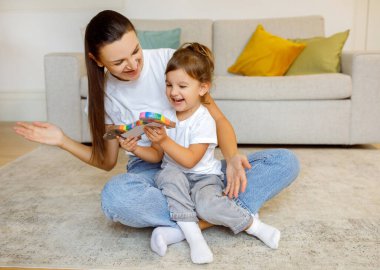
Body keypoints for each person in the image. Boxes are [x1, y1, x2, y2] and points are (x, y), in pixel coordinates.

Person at [13, 10, 299, 257]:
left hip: (199, 163)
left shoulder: (170, 62)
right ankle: (218, 214)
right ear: (97, 60)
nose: (133, 65)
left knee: (284, 162)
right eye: (119, 62)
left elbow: (217, 117)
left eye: (135, 51)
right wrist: (62, 140)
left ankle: (187, 224)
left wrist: (233, 157)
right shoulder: (103, 97)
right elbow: (107, 162)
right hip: (152, 169)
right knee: (115, 198)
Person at [119, 42, 281, 264]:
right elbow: (157, 157)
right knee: (167, 175)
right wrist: (136, 148)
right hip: (175, 176)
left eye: (182, 86)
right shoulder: (165, 117)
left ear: (203, 89)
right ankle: (195, 238)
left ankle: (253, 225)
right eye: (168, 85)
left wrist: (164, 140)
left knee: (207, 204)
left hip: (204, 177)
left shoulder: (204, 119)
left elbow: (190, 160)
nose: (173, 92)